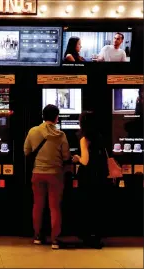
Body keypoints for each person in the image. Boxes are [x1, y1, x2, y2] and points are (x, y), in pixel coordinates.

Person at [24, 104, 71, 249]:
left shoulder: (33, 131)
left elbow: (26, 151)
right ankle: (55, 240)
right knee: (55, 207)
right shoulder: (61, 135)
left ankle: (38, 236)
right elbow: (66, 155)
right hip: (55, 175)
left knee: (38, 205)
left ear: (43, 116)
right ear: (57, 118)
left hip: (37, 173)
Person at [72, 111, 108, 249]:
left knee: (86, 206)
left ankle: (87, 237)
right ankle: (97, 236)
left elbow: (85, 161)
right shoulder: (100, 136)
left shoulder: (84, 138)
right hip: (100, 176)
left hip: (88, 177)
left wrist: (77, 158)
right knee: (97, 206)